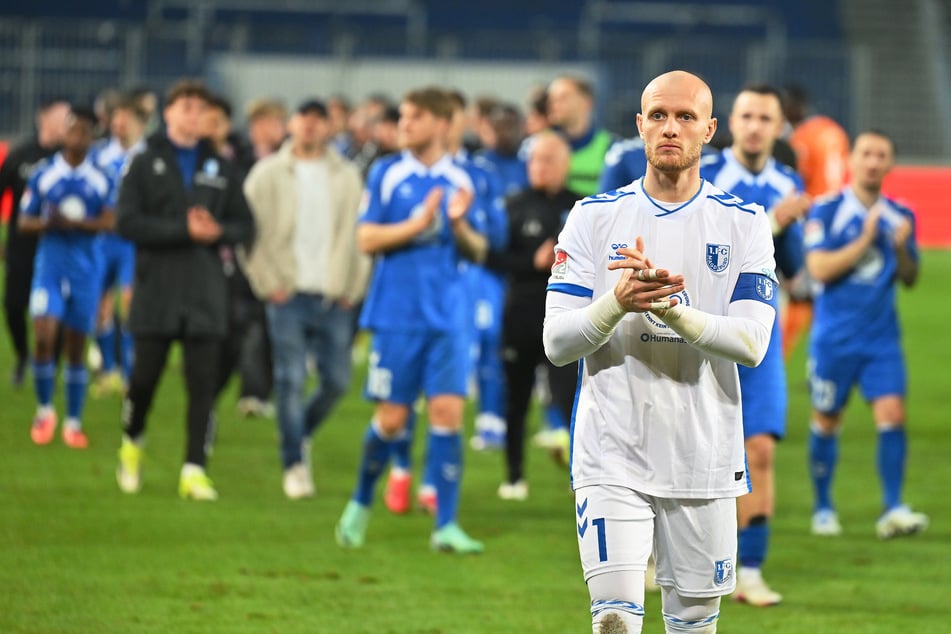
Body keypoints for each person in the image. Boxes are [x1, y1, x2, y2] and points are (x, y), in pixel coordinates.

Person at [543, 70, 777, 633]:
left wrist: (671, 310)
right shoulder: (593, 217)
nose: (670, 128)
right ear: (640, 125)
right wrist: (618, 302)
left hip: (705, 457)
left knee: (693, 624)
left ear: (709, 130)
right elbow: (556, 343)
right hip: (611, 451)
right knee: (614, 623)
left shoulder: (743, 223)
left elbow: (752, 343)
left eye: (686, 117)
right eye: (658, 115)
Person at [335, 86, 487, 554]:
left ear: (442, 125)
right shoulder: (385, 172)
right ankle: (360, 503)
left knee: (447, 415)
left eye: (414, 117)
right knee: (393, 419)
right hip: (397, 316)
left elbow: (480, 251)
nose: (403, 124)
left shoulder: (465, 179)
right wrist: (416, 225)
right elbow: (365, 238)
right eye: (402, 117)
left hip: (449, 318)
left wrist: (458, 224)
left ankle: (446, 526)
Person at [114, 79, 255, 500]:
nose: (196, 116)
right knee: (143, 381)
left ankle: (194, 469)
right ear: (168, 111)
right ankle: (131, 443)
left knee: (203, 386)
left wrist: (218, 232)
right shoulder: (144, 162)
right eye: (188, 107)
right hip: (156, 289)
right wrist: (182, 230)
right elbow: (127, 223)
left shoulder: (223, 168)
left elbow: (246, 227)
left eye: (201, 109)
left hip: (205, 291)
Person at [700, 83, 811, 607]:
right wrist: (775, 221)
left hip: (757, 338)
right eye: (746, 115)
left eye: (765, 118)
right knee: (688, 448)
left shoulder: (787, 181)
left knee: (760, 450)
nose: (754, 126)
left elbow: (793, 269)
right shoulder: (706, 177)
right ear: (728, 122)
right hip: (700, 334)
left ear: (778, 127)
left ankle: (751, 570)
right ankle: (665, 556)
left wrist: (796, 240)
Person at [804, 129, 928, 540]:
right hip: (834, 338)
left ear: (890, 164)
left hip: (881, 340)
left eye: (881, 155)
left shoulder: (902, 216)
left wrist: (902, 251)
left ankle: (892, 507)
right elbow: (819, 269)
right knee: (826, 420)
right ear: (852, 160)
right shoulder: (825, 211)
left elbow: (910, 279)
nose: (873, 162)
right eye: (866, 154)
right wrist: (864, 240)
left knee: (893, 416)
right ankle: (823, 507)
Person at [242, 98, 369, 499]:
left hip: (334, 294)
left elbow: (361, 235)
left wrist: (353, 287)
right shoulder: (266, 174)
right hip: (287, 293)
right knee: (290, 379)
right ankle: (294, 464)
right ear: (292, 123)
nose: (310, 126)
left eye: (318, 120)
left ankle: (299, 435)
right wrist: (267, 284)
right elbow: (250, 235)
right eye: (304, 118)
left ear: (329, 127)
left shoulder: (347, 175)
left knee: (336, 381)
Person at [485, 130, 580, 500]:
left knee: (573, 400)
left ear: (564, 164)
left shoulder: (581, 207)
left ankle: (581, 476)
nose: (540, 167)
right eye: (535, 160)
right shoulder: (512, 205)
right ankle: (513, 476)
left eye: (548, 160)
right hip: (522, 318)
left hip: (567, 322)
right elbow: (493, 257)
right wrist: (533, 262)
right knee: (516, 400)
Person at [19, 105, 115, 448]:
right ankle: (45, 410)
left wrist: (77, 224)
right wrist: (49, 224)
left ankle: (73, 421)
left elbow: (110, 220)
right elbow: (23, 221)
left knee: (76, 347)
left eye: (86, 131)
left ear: (92, 137)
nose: (78, 136)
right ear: (65, 132)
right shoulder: (45, 174)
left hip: (86, 270)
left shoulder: (102, 177)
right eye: (74, 129)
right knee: (44, 335)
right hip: (51, 266)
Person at [0, 99, 69, 387]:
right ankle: (23, 356)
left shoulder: (69, 158)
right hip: (21, 247)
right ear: (44, 117)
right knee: (14, 306)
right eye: (61, 116)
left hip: (58, 249)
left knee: (56, 310)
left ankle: (50, 364)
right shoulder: (20, 154)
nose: (66, 123)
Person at [780, 84, 851, 360]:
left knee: (801, 292)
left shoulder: (801, 138)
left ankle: (781, 354)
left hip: (813, 221)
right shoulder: (834, 130)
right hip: (838, 217)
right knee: (827, 295)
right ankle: (826, 359)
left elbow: (800, 182)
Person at [89, 94, 148, 397]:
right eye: (116, 118)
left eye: (127, 119)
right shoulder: (98, 155)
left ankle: (129, 373)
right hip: (103, 241)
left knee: (130, 304)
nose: (120, 124)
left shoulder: (148, 157)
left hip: (132, 243)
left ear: (140, 124)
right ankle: (108, 369)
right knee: (99, 307)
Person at [545, 75, 615, 197]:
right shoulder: (538, 145)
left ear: (586, 103)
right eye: (551, 99)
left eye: (562, 98)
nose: (552, 105)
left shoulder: (611, 148)